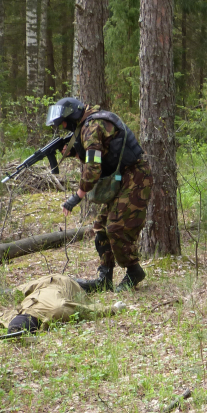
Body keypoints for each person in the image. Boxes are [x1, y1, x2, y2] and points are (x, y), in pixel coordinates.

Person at [46, 97, 152, 293]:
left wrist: (76, 197)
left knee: (116, 227)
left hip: (136, 175)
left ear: (72, 116)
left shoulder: (92, 126)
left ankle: (134, 271)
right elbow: (98, 156)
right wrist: (75, 152)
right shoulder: (87, 124)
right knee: (101, 227)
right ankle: (105, 278)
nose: (62, 126)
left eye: (62, 122)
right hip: (120, 176)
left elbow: (93, 168)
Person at [0, 274, 122, 333]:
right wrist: (113, 308)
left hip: (52, 282)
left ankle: (8, 292)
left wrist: (113, 309)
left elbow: (84, 310)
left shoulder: (56, 310)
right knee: (83, 285)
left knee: (18, 292)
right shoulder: (24, 312)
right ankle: (8, 292)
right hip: (58, 284)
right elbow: (84, 310)